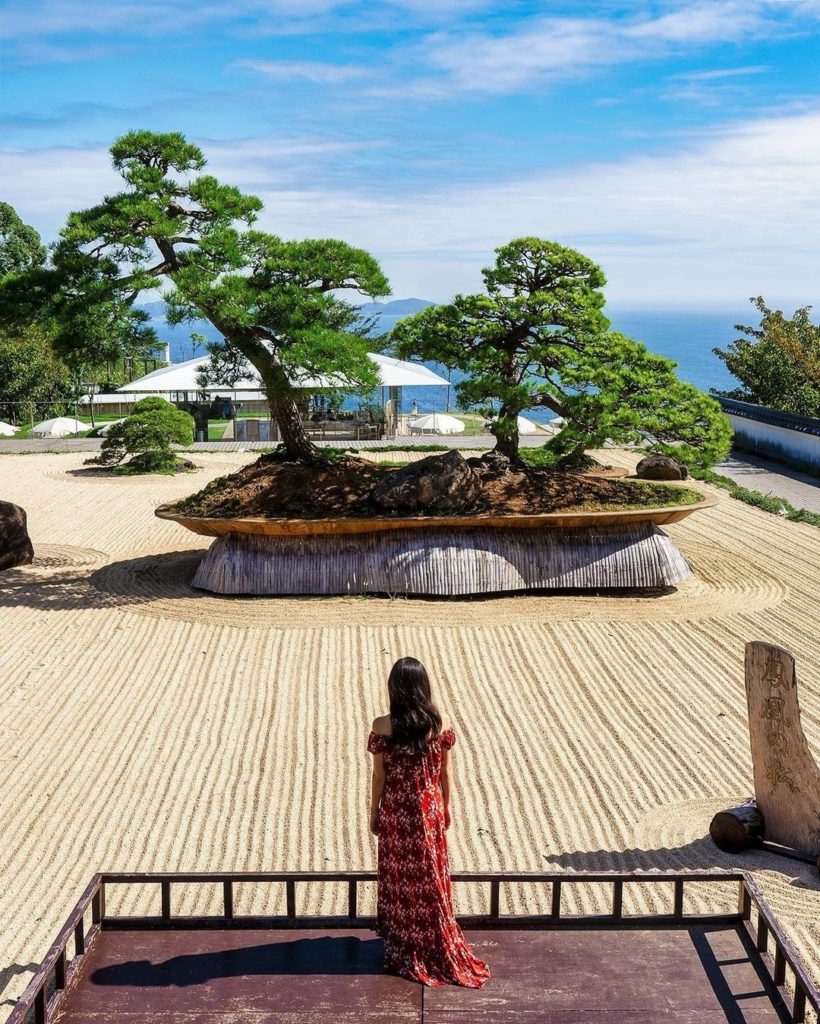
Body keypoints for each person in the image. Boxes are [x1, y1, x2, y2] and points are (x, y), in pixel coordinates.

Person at [367, 657, 490, 988]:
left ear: (394, 687)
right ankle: (435, 936)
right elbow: (444, 773)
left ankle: (405, 942)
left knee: (401, 876)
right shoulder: (441, 722)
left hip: (398, 810)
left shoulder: (382, 726)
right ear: (423, 687)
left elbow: (380, 776)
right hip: (429, 809)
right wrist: (445, 807)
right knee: (431, 877)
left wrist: (374, 811)